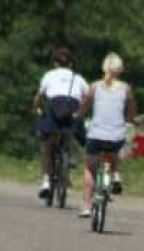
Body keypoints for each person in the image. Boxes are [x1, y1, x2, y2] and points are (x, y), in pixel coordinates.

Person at [77, 52, 136, 217]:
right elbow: (131, 111)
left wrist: (78, 116)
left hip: (96, 135)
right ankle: (116, 175)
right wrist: (132, 119)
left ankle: (87, 206)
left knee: (90, 168)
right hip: (116, 135)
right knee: (115, 152)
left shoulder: (95, 86)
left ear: (104, 68)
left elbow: (84, 106)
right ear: (120, 69)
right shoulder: (126, 88)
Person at [33, 46, 89, 200]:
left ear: (55, 63)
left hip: (55, 109)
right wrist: (81, 111)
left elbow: (39, 96)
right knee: (78, 135)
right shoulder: (78, 78)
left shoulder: (49, 75)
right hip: (73, 110)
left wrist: (36, 108)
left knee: (46, 144)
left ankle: (45, 181)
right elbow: (88, 96)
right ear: (70, 64)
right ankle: (70, 156)